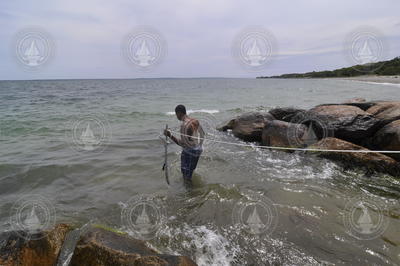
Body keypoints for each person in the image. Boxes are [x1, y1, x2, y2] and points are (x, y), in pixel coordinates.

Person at [164, 105, 204, 186]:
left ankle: (190, 194)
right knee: (190, 172)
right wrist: (199, 146)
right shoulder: (195, 121)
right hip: (198, 150)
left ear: (179, 113)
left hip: (189, 152)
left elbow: (182, 144)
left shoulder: (184, 126)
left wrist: (170, 135)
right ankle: (192, 189)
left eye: (176, 114)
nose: (176, 116)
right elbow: (202, 134)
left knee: (186, 176)